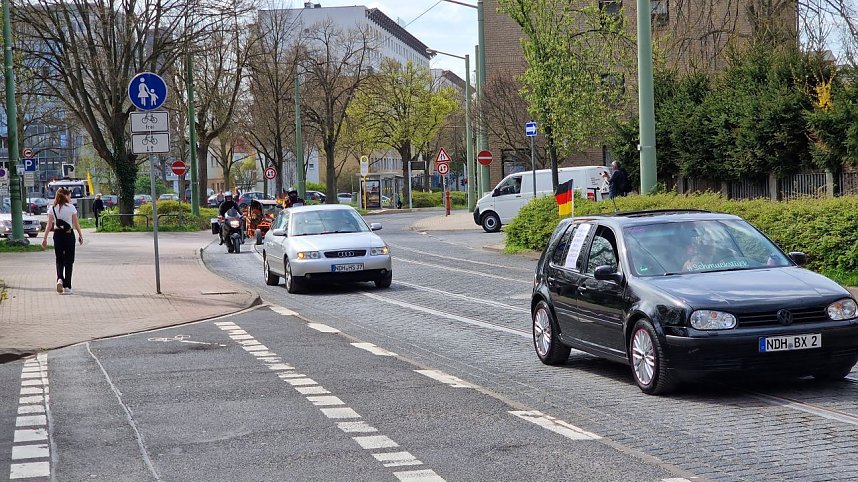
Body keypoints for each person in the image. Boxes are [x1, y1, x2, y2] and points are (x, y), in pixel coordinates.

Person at [41, 188, 84, 295]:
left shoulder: (53, 208)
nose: (70, 197)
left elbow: (49, 225)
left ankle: (60, 278)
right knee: (69, 260)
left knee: (59, 259)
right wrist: (80, 235)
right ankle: (67, 286)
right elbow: (76, 223)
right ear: (65, 196)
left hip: (57, 235)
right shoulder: (71, 208)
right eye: (69, 195)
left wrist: (45, 238)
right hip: (69, 235)